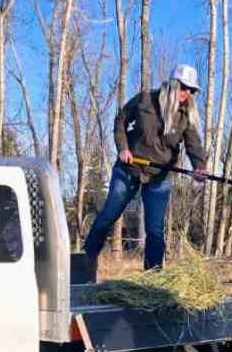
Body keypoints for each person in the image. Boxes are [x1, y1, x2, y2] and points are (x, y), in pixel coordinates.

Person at [82, 63, 208, 274]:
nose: (188, 93)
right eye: (185, 88)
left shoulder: (186, 116)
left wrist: (200, 168)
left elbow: (194, 144)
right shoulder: (145, 100)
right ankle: (85, 263)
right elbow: (121, 119)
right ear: (173, 84)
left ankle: (153, 279)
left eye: (192, 90)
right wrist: (123, 148)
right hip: (129, 170)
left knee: (155, 230)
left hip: (159, 178)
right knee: (108, 216)